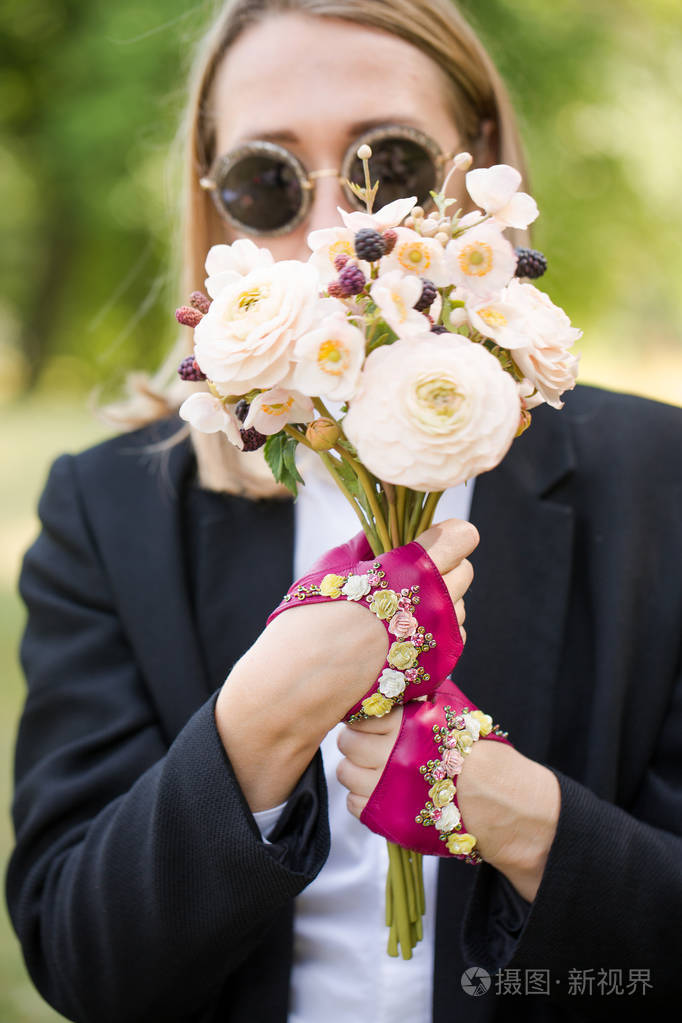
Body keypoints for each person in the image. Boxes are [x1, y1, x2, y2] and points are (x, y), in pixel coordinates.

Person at [6, 1, 682, 1020]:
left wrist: (530, 824)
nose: (334, 232)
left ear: (481, 163)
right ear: (217, 211)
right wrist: (256, 728)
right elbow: (84, 963)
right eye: (267, 180)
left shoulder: (659, 483)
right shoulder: (106, 512)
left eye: (390, 165)